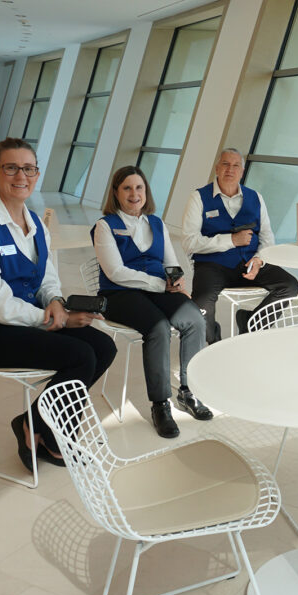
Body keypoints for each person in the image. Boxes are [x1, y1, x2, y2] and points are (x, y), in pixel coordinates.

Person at [0, 138, 116, 472]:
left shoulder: (36, 223)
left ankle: (39, 426)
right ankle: (41, 430)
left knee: (103, 346)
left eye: (28, 168)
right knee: (79, 355)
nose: (20, 176)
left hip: (20, 322)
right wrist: (49, 318)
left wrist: (55, 302)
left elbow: (46, 276)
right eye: (11, 167)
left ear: (36, 175)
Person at [93, 166, 210, 438]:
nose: (134, 194)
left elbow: (170, 262)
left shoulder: (156, 223)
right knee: (156, 327)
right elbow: (115, 272)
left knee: (193, 318)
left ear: (146, 192)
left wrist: (178, 282)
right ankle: (160, 405)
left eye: (139, 188)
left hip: (159, 289)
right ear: (116, 193)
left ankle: (189, 392)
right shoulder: (104, 226)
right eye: (127, 188)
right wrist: (161, 284)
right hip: (118, 293)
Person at [182, 149, 298, 341]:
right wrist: (231, 240)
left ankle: (250, 324)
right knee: (201, 305)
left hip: (250, 262)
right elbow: (189, 242)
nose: (230, 169)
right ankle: (214, 342)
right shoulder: (198, 198)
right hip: (213, 265)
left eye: (236, 165)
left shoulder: (256, 198)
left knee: (289, 285)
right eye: (226, 164)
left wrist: (259, 259)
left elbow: (267, 237)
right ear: (217, 168)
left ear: (242, 171)